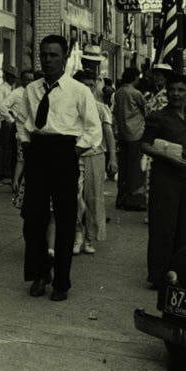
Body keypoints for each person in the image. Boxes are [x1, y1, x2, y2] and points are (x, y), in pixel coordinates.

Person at [15, 34, 102, 302]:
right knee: (32, 220)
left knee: (65, 220)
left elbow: (93, 130)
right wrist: (27, 146)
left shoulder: (79, 91)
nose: (48, 60)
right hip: (38, 153)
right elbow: (23, 121)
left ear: (65, 58)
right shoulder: (32, 89)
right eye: (44, 55)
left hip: (65, 154)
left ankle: (62, 281)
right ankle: (40, 273)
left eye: (54, 55)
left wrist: (72, 152)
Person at [141, 73, 186, 287]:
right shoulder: (158, 117)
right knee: (163, 225)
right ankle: (159, 275)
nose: (175, 94)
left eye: (181, 90)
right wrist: (166, 156)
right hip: (166, 178)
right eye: (172, 89)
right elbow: (144, 145)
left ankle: (181, 273)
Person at [72, 70, 117, 255]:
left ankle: (89, 238)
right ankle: (77, 234)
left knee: (93, 198)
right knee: (74, 197)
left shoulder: (100, 108)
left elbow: (108, 134)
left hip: (95, 156)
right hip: (73, 156)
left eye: (91, 85)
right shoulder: (70, 106)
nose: (88, 89)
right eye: (84, 85)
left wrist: (112, 158)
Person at [113, 67, 148, 211]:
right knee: (135, 169)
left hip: (122, 133)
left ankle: (121, 197)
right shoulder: (135, 93)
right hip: (136, 133)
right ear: (134, 77)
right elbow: (146, 109)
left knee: (124, 168)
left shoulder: (119, 92)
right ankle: (133, 200)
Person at [0, 68, 18, 181]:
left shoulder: (11, 90)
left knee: (10, 147)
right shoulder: (1, 90)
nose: (12, 79)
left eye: (14, 77)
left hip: (10, 121)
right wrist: (10, 120)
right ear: (6, 76)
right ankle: (2, 170)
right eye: (11, 76)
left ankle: (6, 169)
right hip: (4, 122)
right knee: (5, 147)